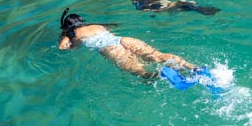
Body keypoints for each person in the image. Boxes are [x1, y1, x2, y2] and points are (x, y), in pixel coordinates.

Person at [58, 8, 196, 78]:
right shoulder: (98, 26)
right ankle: (192, 67)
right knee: (159, 56)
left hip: (110, 48)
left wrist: (64, 34)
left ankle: (162, 76)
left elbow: (62, 48)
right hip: (124, 40)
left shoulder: (73, 34)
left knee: (142, 73)